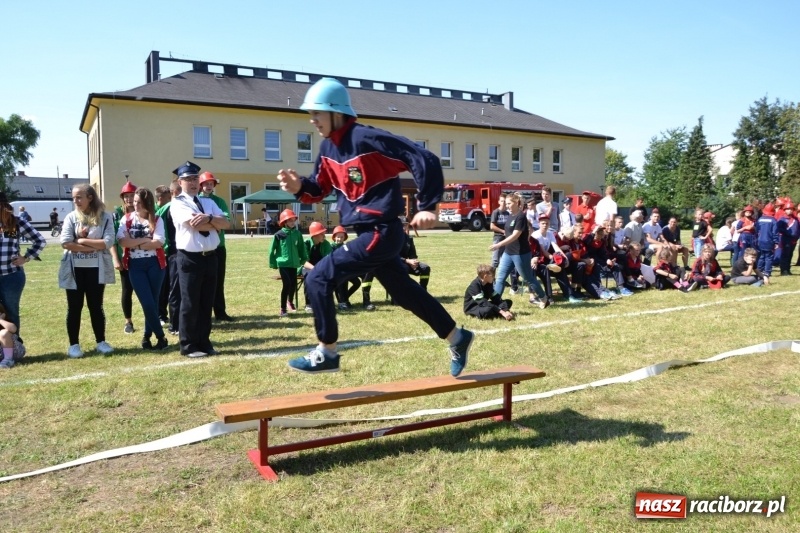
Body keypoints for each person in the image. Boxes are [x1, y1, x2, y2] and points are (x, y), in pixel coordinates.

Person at [277, 77, 473, 376]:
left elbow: (423, 158)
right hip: (369, 234)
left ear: (336, 112)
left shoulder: (367, 138)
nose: (312, 119)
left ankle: (327, 351)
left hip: (380, 232)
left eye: (317, 112)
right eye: (311, 113)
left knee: (317, 278)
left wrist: (427, 205)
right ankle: (457, 337)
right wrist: (298, 185)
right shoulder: (328, 148)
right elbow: (318, 188)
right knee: (405, 293)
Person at [170, 161, 230, 358]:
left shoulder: (208, 202)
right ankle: (188, 345)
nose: (193, 182)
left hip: (210, 257)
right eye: (188, 179)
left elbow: (226, 224)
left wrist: (210, 220)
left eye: (195, 178)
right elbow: (196, 225)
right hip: (190, 258)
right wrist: (212, 222)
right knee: (190, 303)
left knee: (206, 302)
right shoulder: (178, 203)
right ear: (180, 182)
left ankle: (204, 342)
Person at [60, 184, 116, 358]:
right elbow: (66, 243)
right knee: (74, 308)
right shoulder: (71, 217)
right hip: (75, 270)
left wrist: (82, 240)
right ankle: (74, 345)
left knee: (96, 306)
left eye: (79, 197)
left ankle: (101, 342)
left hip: (96, 270)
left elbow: (107, 242)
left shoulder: (105, 218)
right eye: (74, 197)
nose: (75, 201)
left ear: (90, 197)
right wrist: (91, 246)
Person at [116, 187, 169, 351]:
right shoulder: (126, 219)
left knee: (152, 303)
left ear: (147, 203)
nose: (134, 204)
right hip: (135, 265)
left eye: (139, 202)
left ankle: (146, 336)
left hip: (155, 264)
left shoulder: (157, 219)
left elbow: (159, 242)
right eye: (134, 201)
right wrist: (144, 241)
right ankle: (161, 336)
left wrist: (135, 242)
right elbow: (122, 241)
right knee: (146, 302)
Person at [489, 192, 548, 308]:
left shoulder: (521, 216)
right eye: (506, 203)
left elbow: (515, 235)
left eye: (509, 203)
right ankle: (495, 304)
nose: (507, 206)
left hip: (520, 253)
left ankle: (544, 298)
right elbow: (508, 232)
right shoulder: (510, 215)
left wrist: (499, 244)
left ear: (516, 203)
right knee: (500, 278)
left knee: (529, 279)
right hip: (508, 252)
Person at [0, 194, 46, 338]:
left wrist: (25, 258)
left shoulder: (16, 222)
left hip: (12, 276)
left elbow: (40, 240)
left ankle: (14, 349)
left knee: (11, 311)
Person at [198, 171, 235, 322]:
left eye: (211, 183)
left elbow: (225, 221)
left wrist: (209, 222)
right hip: (200, 247)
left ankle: (220, 312)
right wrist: (215, 223)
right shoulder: (195, 200)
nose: (208, 186)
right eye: (206, 183)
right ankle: (202, 313)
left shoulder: (219, 201)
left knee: (218, 280)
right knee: (201, 282)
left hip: (218, 247)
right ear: (201, 185)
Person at [269, 208, 306, 316]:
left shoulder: (297, 234)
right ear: (284, 222)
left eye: (293, 220)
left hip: (294, 263)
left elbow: (301, 248)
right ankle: (283, 308)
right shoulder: (279, 234)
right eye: (289, 220)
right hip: (283, 264)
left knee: (293, 284)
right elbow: (272, 249)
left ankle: (290, 301)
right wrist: (273, 262)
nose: (292, 222)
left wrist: (303, 259)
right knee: (287, 284)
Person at [155, 181, 181, 335]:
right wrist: (164, 249)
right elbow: (158, 230)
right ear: (174, 193)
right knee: (173, 288)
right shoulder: (165, 210)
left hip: (187, 252)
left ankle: (181, 321)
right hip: (172, 253)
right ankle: (174, 323)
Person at [112, 181, 138, 334]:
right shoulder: (117, 215)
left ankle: (155, 318)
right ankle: (128, 321)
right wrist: (116, 259)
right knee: (127, 290)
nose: (129, 199)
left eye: (132, 195)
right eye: (126, 196)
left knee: (146, 291)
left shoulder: (144, 212)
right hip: (125, 258)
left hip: (142, 257)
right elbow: (113, 240)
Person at [300, 221, 332, 311]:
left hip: (320, 266)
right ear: (315, 235)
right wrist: (315, 269)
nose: (324, 236)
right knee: (309, 276)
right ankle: (309, 304)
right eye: (322, 234)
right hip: (307, 267)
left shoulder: (325, 244)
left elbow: (328, 259)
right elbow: (303, 261)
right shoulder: (305, 243)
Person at [330, 226, 364, 310]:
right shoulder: (331, 247)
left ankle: (345, 298)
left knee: (357, 283)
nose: (340, 239)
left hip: (346, 271)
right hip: (336, 272)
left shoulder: (345, 247)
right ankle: (342, 301)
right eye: (338, 237)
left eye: (342, 237)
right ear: (334, 237)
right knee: (341, 281)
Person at [398, 217, 431, 292]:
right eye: (401, 225)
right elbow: (392, 256)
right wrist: (407, 261)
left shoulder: (409, 238)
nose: (403, 227)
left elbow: (412, 254)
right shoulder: (392, 238)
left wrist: (414, 262)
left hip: (407, 263)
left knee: (425, 268)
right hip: (395, 264)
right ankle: (401, 293)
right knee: (404, 268)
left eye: (405, 225)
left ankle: (423, 291)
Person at [755, 203, 779, 279]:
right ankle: (767, 272)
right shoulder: (773, 220)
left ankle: (759, 271)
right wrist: (776, 242)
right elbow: (775, 232)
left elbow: (757, 230)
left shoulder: (760, 219)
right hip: (769, 241)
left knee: (761, 257)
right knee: (769, 257)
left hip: (760, 240)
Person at [0, 303, 25, 369]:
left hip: (15, 351)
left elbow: (13, 329)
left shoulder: (6, 323)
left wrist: (0, 320)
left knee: (3, 333)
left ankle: (8, 359)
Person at [777, 202, 799, 275]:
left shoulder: (796, 219)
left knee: (790, 255)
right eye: (788, 209)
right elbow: (778, 228)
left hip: (794, 240)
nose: (789, 211)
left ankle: (788, 269)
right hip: (785, 239)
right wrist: (787, 233)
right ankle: (783, 270)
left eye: (791, 209)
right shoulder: (782, 219)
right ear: (785, 210)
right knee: (785, 255)